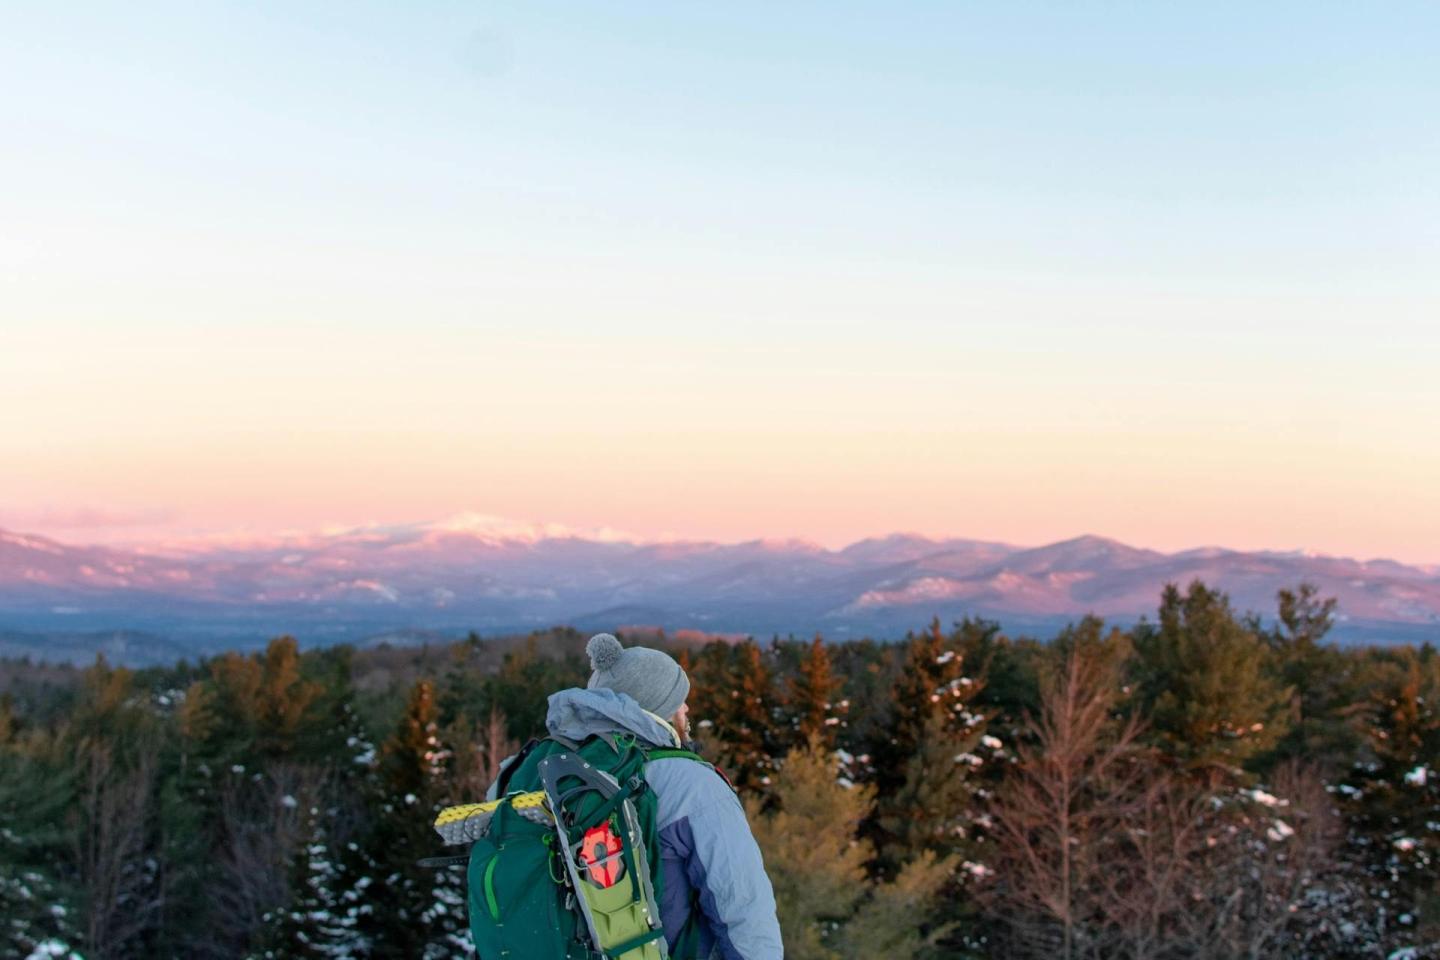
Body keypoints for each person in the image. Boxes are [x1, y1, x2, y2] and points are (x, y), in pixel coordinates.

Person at [492, 632, 784, 960]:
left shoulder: (538, 770)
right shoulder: (692, 784)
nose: (686, 708)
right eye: (679, 700)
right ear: (658, 709)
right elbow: (743, 908)